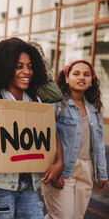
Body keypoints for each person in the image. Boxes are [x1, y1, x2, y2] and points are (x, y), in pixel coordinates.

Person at [0, 38, 64, 219]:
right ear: (4, 68)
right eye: (19, 66)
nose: (27, 72)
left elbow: (49, 134)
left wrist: (60, 162)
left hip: (29, 184)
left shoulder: (36, 101)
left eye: (30, 66)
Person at [41, 60, 108, 219]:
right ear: (66, 78)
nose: (82, 78)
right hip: (62, 168)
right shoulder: (57, 104)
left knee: (76, 217)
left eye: (87, 74)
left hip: (86, 169)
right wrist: (54, 167)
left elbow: (98, 145)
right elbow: (46, 136)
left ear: (92, 80)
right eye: (76, 74)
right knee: (62, 216)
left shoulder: (94, 109)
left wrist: (102, 174)